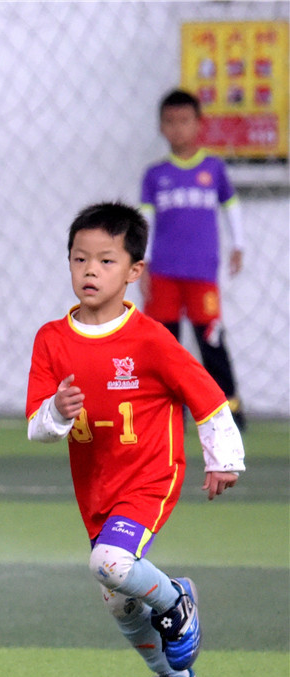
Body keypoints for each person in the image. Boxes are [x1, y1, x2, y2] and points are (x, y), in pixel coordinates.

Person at [26, 201, 244, 677]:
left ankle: (176, 602)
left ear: (133, 271)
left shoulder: (148, 338)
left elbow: (204, 393)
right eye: (80, 259)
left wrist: (223, 458)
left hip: (150, 477)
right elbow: (36, 427)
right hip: (96, 489)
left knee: (109, 563)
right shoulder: (51, 339)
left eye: (106, 261)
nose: (90, 271)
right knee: (118, 599)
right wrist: (56, 411)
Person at [140, 89, 247, 429]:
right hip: (163, 273)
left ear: (199, 124)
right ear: (161, 127)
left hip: (202, 273)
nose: (178, 128)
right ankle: (164, 411)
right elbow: (145, 220)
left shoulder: (213, 168)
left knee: (211, 341)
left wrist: (238, 245)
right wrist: (141, 263)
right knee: (162, 345)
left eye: (185, 120)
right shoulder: (155, 175)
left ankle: (229, 407)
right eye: (170, 121)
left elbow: (231, 206)